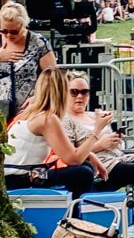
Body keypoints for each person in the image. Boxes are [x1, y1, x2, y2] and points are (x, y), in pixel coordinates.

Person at [63, 72, 134, 213]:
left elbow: (111, 142)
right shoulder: (66, 120)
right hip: (97, 167)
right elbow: (71, 154)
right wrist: (101, 144)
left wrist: (115, 139)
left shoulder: (94, 115)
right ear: (65, 93)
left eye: (84, 92)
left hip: (117, 157)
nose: (80, 96)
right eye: (74, 92)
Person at [4, 68, 99, 205]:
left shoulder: (30, 112)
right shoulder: (47, 119)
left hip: (19, 175)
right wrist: (97, 131)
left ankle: (76, 210)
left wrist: (89, 155)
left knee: (85, 166)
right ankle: (74, 217)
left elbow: (63, 153)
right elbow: (73, 159)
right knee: (82, 172)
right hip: (19, 179)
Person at [0, 2, 57, 121]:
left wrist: (38, 97)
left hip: (28, 111)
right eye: (4, 31)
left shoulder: (38, 42)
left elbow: (52, 76)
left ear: (24, 24)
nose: (9, 35)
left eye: (14, 31)